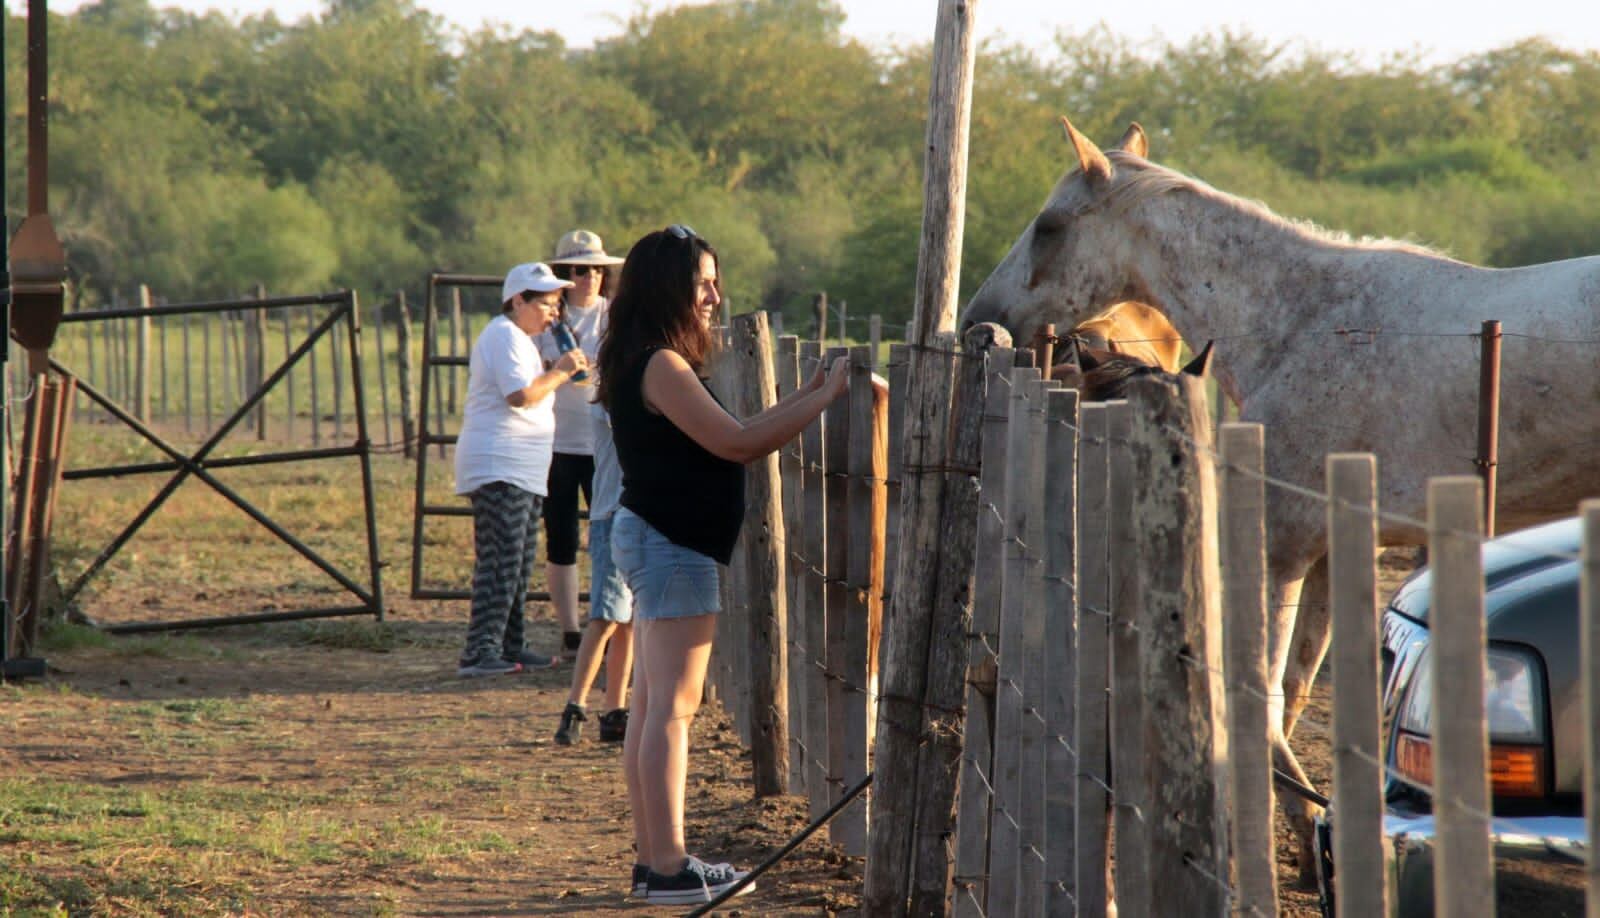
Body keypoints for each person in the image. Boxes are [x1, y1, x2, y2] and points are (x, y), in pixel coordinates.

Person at [597, 224, 849, 904]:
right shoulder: (663, 366)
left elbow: (732, 435)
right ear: (668, 287)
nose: (714, 294)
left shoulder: (642, 358)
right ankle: (672, 869)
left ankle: (657, 864)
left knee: (653, 705)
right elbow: (736, 443)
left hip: (656, 538)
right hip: (671, 546)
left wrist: (811, 391)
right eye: (702, 281)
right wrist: (821, 400)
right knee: (670, 713)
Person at [454, 262, 588, 677]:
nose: (553, 312)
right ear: (518, 301)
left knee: (518, 560)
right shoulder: (504, 335)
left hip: (522, 467)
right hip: (501, 465)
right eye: (546, 303)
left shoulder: (522, 340)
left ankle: (510, 645)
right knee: (501, 562)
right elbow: (520, 395)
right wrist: (562, 372)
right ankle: (480, 652)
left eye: (555, 304)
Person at [534, 229, 625, 662]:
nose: (590, 277)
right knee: (562, 537)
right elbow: (530, 371)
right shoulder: (548, 320)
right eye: (579, 270)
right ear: (564, 276)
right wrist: (553, 368)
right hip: (556, 442)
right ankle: (571, 632)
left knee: (608, 534)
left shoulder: (616, 317)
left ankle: (607, 625)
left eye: (596, 270)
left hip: (604, 444)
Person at [553, 399, 634, 745]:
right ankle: (575, 706)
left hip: (635, 513)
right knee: (605, 617)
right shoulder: (611, 402)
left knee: (628, 621)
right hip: (614, 515)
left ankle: (615, 709)